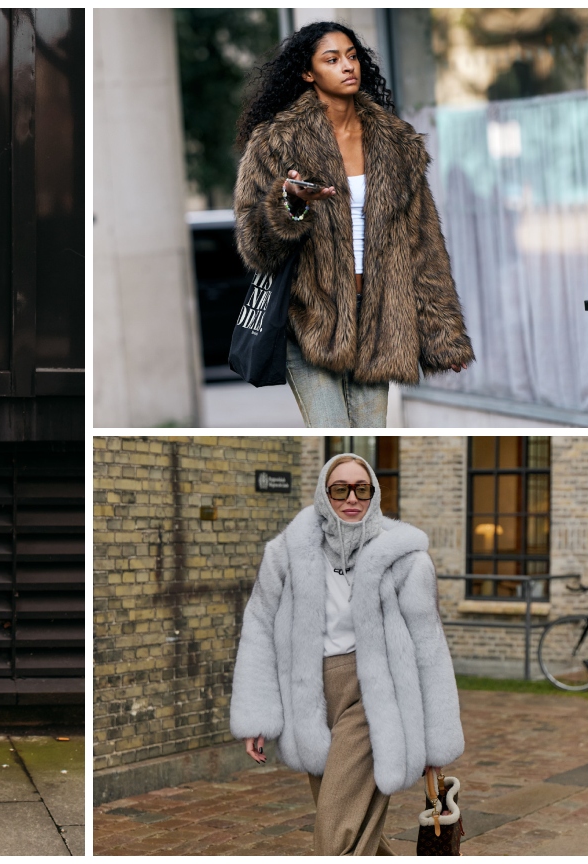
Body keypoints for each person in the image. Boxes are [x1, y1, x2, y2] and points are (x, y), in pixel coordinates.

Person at [233, 22, 475, 428]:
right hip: (310, 319)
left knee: (368, 440)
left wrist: (443, 334)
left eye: (352, 55)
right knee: (332, 436)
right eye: (332, 59)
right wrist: (290, 202)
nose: (348, 66)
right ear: (308, 73)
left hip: (380, 321)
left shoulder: (397, 144)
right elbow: (255, 248)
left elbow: (424, 246)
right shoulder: (276, 142)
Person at [230, 453, 464, 855]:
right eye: (339, 490)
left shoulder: (404, 559)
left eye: (361, 489)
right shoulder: (287, 552)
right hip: (311, 699)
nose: (351, 499)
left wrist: (435, 739)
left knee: (336, 827)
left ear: (374, 493)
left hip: (375, 695)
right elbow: (259, 625)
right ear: (325, 494)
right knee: (351, 821)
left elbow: (429, 647)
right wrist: (257, 714)